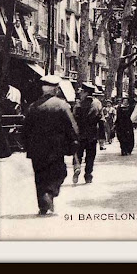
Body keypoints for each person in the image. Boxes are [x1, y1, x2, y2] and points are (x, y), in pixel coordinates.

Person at [23, 75, 79, 215]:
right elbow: (71, 126)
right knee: (59, 172)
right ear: (55, 89)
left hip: (36, 148)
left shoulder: (32, 107)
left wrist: (27, 146)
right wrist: (74, 142)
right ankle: (50, 193)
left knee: (40, 175)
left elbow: (25, 129)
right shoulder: (62, 105)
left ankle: (43, 205)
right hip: (56, 148)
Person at [72, 82, 105, 184]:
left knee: (78, 153)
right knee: (90, 156)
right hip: (92, 134)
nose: (80, 93)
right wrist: (102, 137)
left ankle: (77, 167)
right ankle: (88, 175)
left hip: (80, 134)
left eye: (82, 91)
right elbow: (101, 120)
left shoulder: (78, 104)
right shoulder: (97, 104)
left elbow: (73, 119)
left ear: (86, 92)